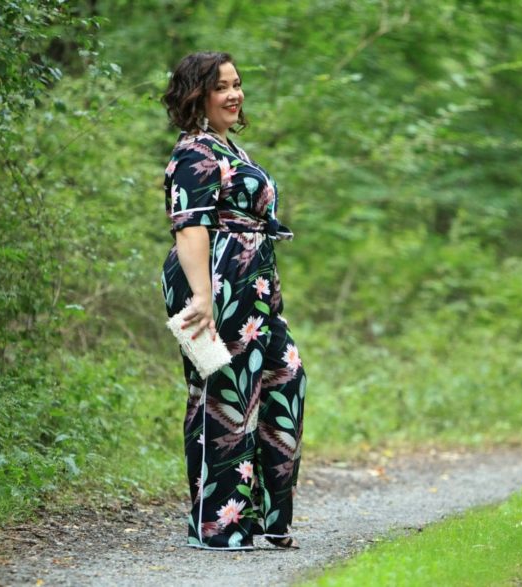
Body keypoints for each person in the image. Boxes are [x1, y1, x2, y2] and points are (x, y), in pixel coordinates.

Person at [160, 51, 306, 551]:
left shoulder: (229, 150)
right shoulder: (195, 153)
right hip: (220, 284)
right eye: (221, 86)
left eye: (237, 84)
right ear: (197, 94)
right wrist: (203, 294)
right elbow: (190, 227)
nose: (234, 94)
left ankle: (266, 516)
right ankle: (219, 525)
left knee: (285, 378)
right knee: (225, 398)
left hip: (257, 288)